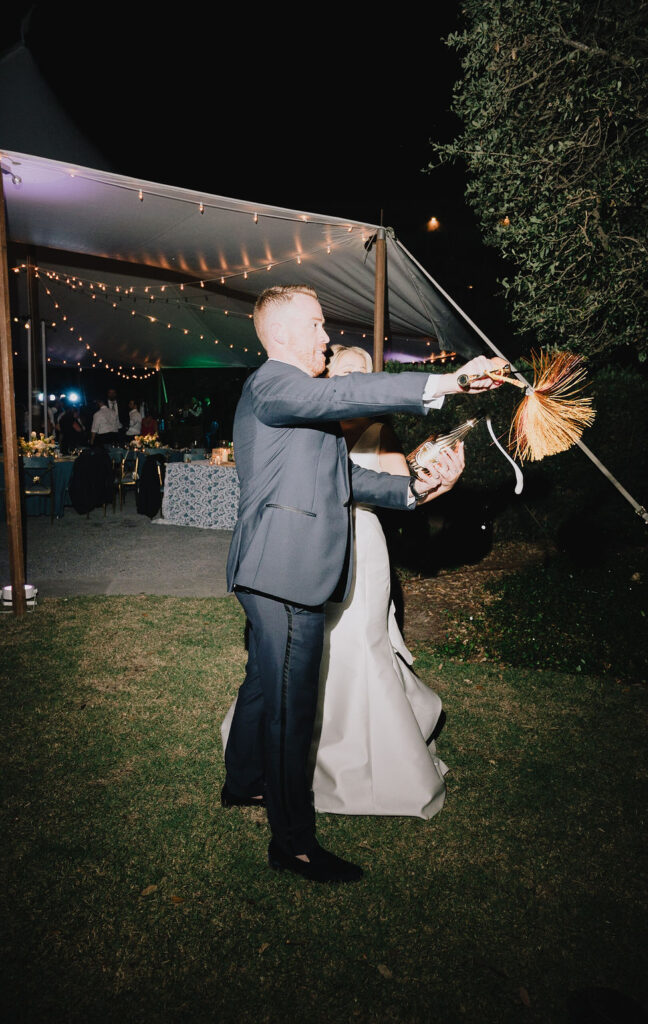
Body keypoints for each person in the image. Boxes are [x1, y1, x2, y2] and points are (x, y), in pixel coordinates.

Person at [222, 284, 504, 884]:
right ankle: (293, 845)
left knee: (263, 686)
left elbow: (345, 478)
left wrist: (419, 490)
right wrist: (448, 382)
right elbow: (350, 390)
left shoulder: (300, 404)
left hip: (275, 568)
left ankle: (242, 782)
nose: (328, 337)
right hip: (284, 571)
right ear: (281, 335)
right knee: (292, 710)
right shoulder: (274, 382)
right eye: (318, 325)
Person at [310, 345, 459, 818]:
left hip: (364, 545)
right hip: (316, 546)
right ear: (330, 373)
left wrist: (443, 485)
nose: (353, 377)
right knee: (319, 646)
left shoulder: (380, 430)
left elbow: (404, 492)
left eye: (363, 371)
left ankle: (385, 760)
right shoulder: (312, 419)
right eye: (345, 369)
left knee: (363, 642)